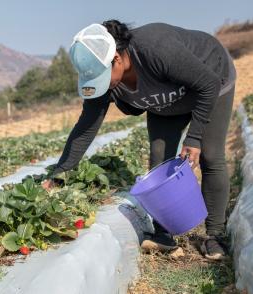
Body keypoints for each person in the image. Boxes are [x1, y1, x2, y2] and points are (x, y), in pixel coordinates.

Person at [42, 20, 237, 260]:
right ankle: (163, 234)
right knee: (158, 162)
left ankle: (214, 236)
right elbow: (86, 127)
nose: (104, 84)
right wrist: (58, 174)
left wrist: (194, 137)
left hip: (211, 82)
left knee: (210, 154)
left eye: (105, 76)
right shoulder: (106, 82)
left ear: (117, 59)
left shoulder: (156, 49)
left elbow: (207, 84)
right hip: (165, 99)